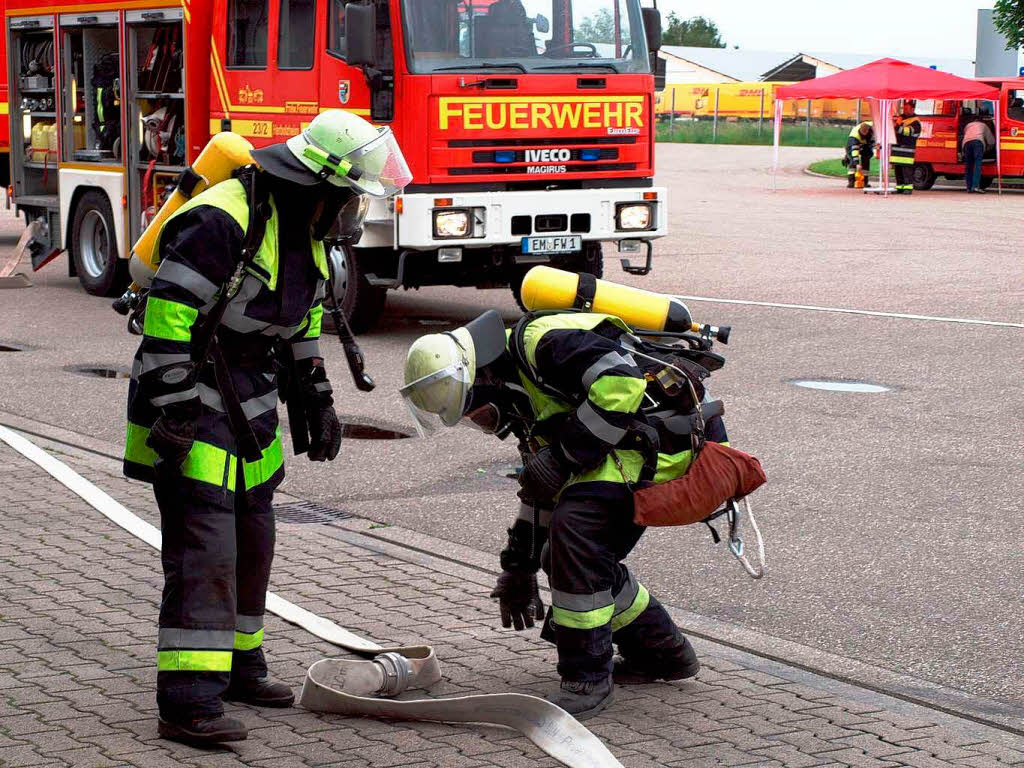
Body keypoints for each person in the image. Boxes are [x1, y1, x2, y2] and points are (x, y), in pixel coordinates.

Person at [123, 110, 411, 745]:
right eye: (351, 197)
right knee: (207, 550)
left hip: (250, 400)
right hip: (191, 394)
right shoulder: (222, 219)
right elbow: (169, 313)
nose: (354, 212)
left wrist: (317, 394)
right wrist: (172, 405)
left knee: (254, 537)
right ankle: (189, 701)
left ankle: (240, 665)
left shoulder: (304, 226)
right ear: (319, 185)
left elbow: (304, 318)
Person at [401, 307, 729, 718]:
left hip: (669, 442)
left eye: (477, 412)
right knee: (567, 549)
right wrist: (518, 568)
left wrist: (562, 456)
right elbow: (539, 493)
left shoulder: (543, 342)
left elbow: (620, 383)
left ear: (484, 380)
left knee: (576, 533)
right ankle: (663, 653)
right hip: (632, 444)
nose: (485, 423)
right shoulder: (524, 398)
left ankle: (586, 680)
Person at [891, 101, 922, 195]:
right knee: (898, 169)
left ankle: (908, 187)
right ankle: (899, 187)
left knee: (907, 169)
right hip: (897, 148)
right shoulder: (901, 118)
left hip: (907, 150)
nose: (904, 111)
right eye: (904, 108)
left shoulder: (915, 122)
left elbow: (907, 132)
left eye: (907, 109)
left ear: (913, 109)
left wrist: (897, 126)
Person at [962, 116, 994, 193]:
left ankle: (969, 188)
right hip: (978, 143)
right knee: (977, 165)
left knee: (968, 166)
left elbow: (965, 135)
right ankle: (975, 187)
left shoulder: (968, 125)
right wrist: (987, 150)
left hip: (966, 144)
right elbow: (991, 141)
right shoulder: (983, 125)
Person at [845, 121, 875, 188]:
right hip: (853, 144)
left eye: (866, 133)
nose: (864, 134)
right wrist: (857, 164)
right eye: (863, 133)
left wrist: (874, 145)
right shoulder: (854, 137)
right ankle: (851, 182)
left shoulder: (872, 128)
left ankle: (865, 182)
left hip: (866, 144)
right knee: (852, 161)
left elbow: (872, 141)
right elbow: (854, 152)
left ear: (868, 130)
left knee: (866, 159)